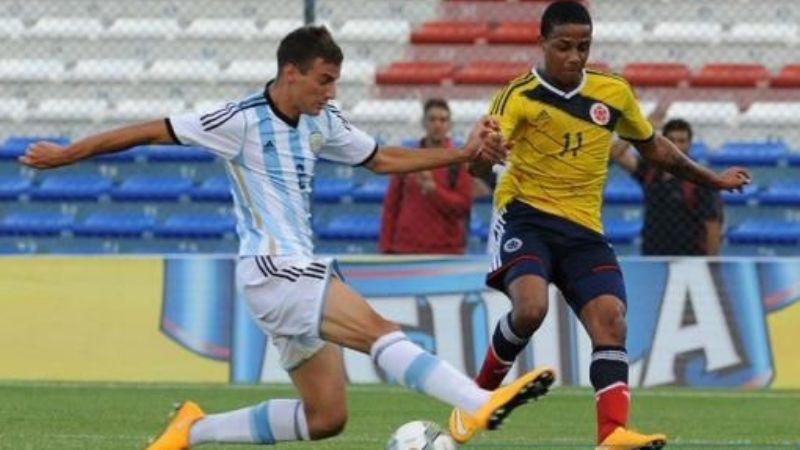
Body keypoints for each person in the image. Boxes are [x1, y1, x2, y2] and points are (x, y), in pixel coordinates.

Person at [20, 26, 556, 449]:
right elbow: (147, 130)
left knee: (326, 417)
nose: (331, 91)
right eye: (323, 80)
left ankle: (192, 429)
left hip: (292, 274)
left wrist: (462, 156)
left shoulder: (322, 120)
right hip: (274, 269)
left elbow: (380, 158)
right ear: (290, 73)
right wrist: (67, 154)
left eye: (335, 81)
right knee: (379, 330)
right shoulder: (239, 120)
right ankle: (476, 400)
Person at [453, 2, 751, 449]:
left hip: (584, 231)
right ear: (542, 44)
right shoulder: (517, 96)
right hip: (526, 216)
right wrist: (483, 158)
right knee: (531, 309)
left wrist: (712, 178)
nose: (575, 57)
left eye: (583, 47)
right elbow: (481, 161)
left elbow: (655, 149)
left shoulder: (612, 92)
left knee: (611, 321)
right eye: (564, 47)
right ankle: (473, 398)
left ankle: (612, 434)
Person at [611, 118, 724, 255]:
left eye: (682, 141)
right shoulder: (650, 170)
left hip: (690, 258)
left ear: (689, 144)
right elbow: (616, 154)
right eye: (671, 140)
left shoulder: (699, 178)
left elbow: (712, 224)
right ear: (663, 142)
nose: (676, 146)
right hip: (653, 254)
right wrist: (642, 128)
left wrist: (711, 263)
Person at [379, 98, 472, 254]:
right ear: (423, 123)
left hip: (446, 252)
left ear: (450, 125)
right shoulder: (407, 159)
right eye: (432, 119)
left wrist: (434, 191)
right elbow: (391, 206)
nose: (437, 124)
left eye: (443, 120)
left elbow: (463, 208)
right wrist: (386, 248)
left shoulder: (458, 162)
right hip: (406, 249)